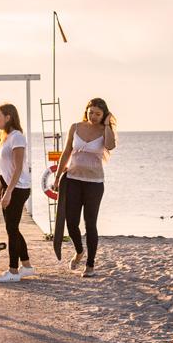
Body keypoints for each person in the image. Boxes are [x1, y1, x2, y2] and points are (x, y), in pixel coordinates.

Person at [53, 98, 117, 276]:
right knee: (71, 222)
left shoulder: (105, 131)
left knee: (90, 224)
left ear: (104, 115)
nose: (94, 116)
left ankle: (90, 265)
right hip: (72, 179)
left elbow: (111, 146)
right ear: (86, 111)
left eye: (98, 113)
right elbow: (66, 152)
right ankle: (79, 251)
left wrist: (106, 126)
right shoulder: (75, 127)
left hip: (94, 184)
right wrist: (57, 177)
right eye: (91, 112)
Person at [0, 103, 35, 282]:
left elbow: (18, 168)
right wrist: (0, 189)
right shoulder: (5, 137)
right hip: (10, 186)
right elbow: (4, 168)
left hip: (18, 188)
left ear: (8, 117)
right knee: (14, 228)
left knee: (11, 229)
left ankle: (13, 271)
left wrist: (8, 192)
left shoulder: (17, 137)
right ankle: (26, 266)